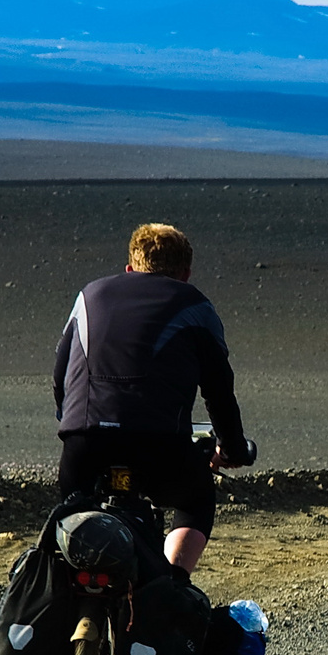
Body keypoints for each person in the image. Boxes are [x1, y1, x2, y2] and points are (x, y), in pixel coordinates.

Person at [53, 223, 252, 577]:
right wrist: (231, 448)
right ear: (185, 274)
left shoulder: (89, 296)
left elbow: (60, 374)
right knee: (196, 500)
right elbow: (219, 392)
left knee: (71, 518)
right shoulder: (196, 306)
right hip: (159, 446)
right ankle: (174, 583)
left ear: (130, 267)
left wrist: (70, 421)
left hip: (84, 441)